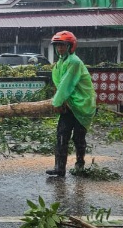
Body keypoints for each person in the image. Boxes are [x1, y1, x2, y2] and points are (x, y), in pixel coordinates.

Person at [45, 31, 96, 177]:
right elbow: (59, 84)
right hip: (68, 104)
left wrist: (57, 102)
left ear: (70, 46)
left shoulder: (74, 62)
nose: (60, 48)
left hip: (82, 104)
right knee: (62, 134)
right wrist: (60, 100)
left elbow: (66, 84)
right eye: (58, 46)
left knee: (78, 137)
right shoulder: (59, 64)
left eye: (63, 45)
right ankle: (59, 168)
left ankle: (80, 165)